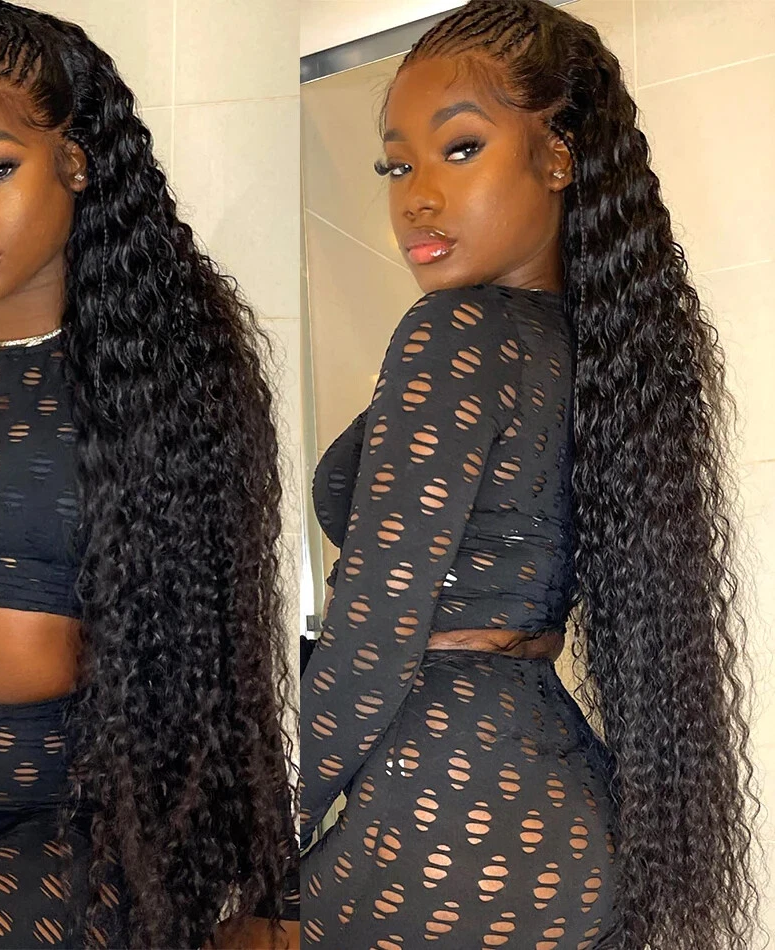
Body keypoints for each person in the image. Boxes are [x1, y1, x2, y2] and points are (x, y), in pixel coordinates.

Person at [0, 2, 299, 948]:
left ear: (75, 162)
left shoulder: (170, 365)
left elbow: (223, 647)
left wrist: (274, 892)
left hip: (98, 806)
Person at [298, 2, 761, 948]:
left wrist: (259, 830)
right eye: (397, 165)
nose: (416, 196)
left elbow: (371, 633)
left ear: (557, 158)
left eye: (460, 149)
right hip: (563, 810)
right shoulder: (599, 359)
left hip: (446, 809)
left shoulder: (456, 334)